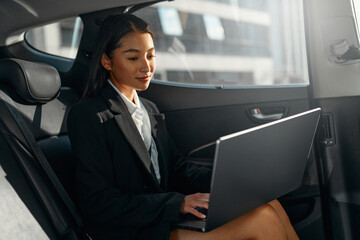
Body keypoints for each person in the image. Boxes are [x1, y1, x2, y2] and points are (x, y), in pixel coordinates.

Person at [67, 13, 299, 240]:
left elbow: (177, 169)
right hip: (132, 229)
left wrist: (232, 183)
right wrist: (177, 203)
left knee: (269, 203)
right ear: (107, 61)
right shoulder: (89, 115)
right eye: (133, 58)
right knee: (263, 221)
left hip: (160, 218)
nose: (146, 67)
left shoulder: (149, 108)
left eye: (150, 55)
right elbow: (97, 203)